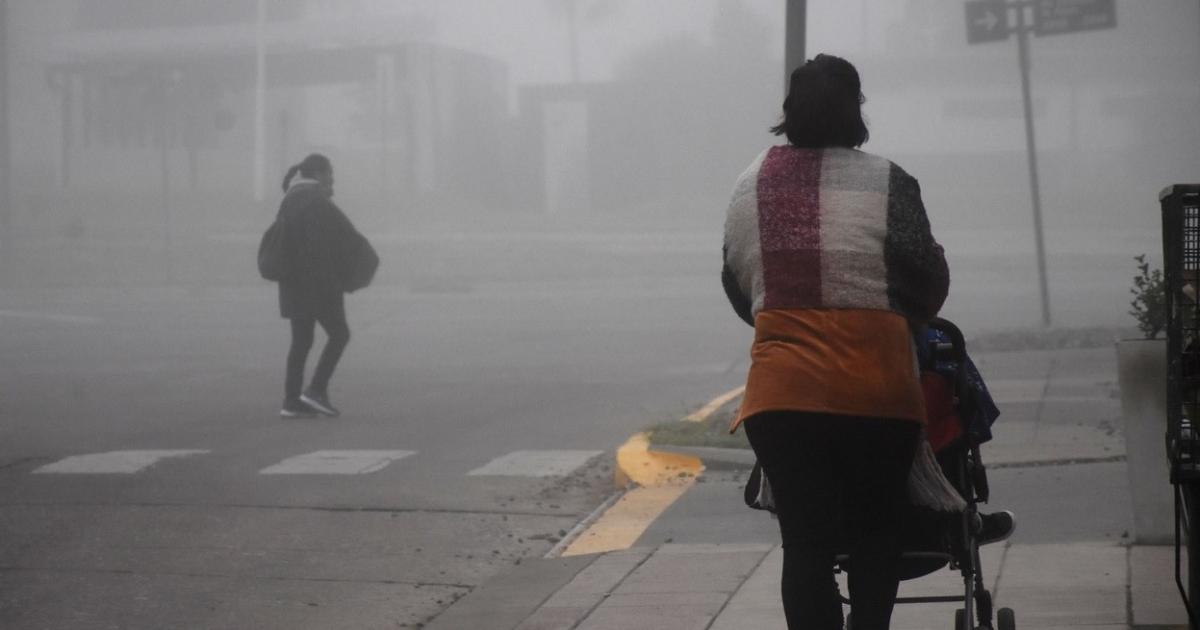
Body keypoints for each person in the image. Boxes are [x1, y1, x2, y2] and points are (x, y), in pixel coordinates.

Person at [721, 54, 949, 629]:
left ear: (788, 113)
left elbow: (738, 281)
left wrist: (789, 323)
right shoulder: (889, 180)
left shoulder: (751, 184)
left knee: (807, 546)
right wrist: (896, 315)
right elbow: (927, 279)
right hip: (877, 392)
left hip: (782, 396)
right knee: (876, 535)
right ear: (856, 111)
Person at [274, 153, 363, 418]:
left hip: (293, 284)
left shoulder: (290, 200)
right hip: (318, 284)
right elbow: (333, 242)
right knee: (340, 334)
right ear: (320, 174)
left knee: (301, 341)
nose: (333, 178)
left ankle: (291, 401)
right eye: (330, 173)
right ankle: (316, 390)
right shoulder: (316, 202)